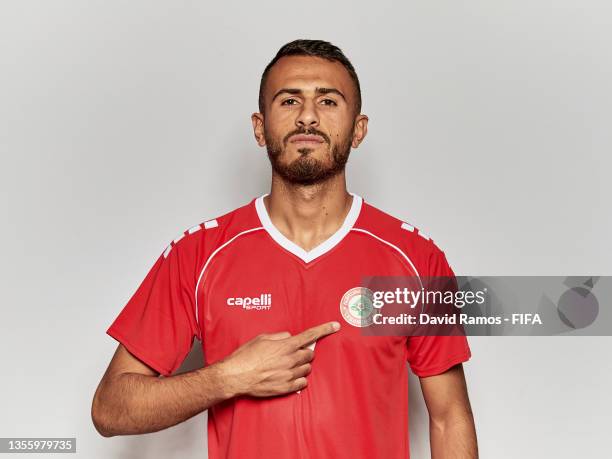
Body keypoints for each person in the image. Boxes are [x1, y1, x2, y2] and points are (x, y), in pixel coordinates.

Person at [91, 39, 478, 459]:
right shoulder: (198, 255)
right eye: (289, 100)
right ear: (260, 127)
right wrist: (228, 378)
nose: (308, 116)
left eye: (328, 101)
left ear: (358, 128)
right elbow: (110, 409)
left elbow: (448, 416)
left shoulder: (415, 259)